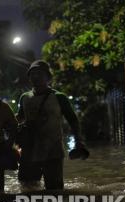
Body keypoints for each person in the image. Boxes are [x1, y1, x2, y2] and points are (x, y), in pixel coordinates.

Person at [17, 60, 87, 190]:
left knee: (55, 190)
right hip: (29, 150)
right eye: (32, 74)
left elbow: (73, 120)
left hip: (52, 150)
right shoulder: (24, 98)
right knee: (27, 188)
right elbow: (19, 119)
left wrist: (79, 142)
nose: (36, 77)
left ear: (48, 77)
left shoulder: (59, 97)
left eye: (39, 74)